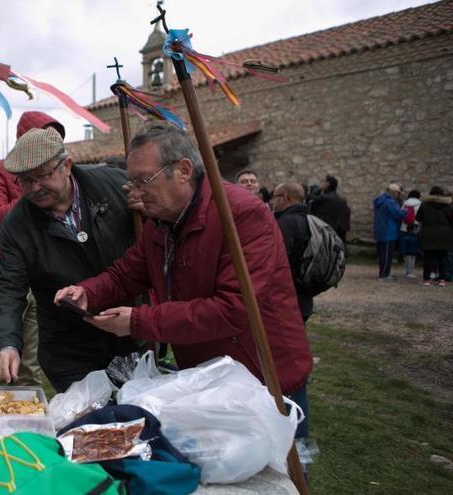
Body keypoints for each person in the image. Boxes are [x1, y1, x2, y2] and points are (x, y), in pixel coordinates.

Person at [55, 124, 313, 440]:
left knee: (274, 475)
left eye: (143, 180)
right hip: (210, 377)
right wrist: (87, 292)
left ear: (183, 170)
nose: (135, 192)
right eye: (131, 182)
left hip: (264, 376)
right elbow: (127, 273)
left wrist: (138, 322)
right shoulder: (161, 223)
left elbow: (233, 309)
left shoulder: (242, 215)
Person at [0, 127, 140, 392]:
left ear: (66, 165)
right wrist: (7, 345)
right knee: (91, 427)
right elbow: (7, 286)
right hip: (69, 348)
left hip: (131, 333)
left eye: (43, 176)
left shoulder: (114, 185)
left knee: (142, 418)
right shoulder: (17, 224)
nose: (35, 188)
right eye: (24, 181)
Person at [0, 111, 65, 386]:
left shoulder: (56, 177)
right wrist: (35, 195)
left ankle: (29, 422)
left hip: (36, 279)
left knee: (30, 365)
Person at [270, 182, 313, 321]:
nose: (272, 201)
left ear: (284, 197)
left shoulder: (286, 223)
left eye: (274, 196)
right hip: (305, 295)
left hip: (288, 298)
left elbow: (277, 260)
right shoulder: (310, 219)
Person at [416, 186, 453, 286]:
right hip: (444, 235)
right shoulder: (448, 206)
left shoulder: (424, 205)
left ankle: (426, 279)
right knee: (443, 258)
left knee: (428, 258)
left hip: (428, 234)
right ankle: (442, 279)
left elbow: (418, 217)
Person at [373, 183, 406, 280]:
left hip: (380, 230)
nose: (398, 195)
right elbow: (398, 214)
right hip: (389, 231)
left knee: (382, 254)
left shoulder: (379, 200)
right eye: (398, 193)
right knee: (387, 255)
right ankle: (384, 275)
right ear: (394, 192)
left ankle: (382, 273)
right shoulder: (390, 202)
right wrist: (406, 212)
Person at [309, 174, 350, 241]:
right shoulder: (338, 198)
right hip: (334, 230)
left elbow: (310, 197)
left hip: (323, 230)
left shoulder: (324, 197)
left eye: (324, 182)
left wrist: (319, 189)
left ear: (328, 184)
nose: (322, 183)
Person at [400, 190, 422, 279]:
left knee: (406, 250)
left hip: (404, 228)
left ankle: (407, 270)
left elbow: (401, 214)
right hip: (415, 229)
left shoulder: (405, 203)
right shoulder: (420, 204)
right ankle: (411, 271)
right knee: (413, 251)